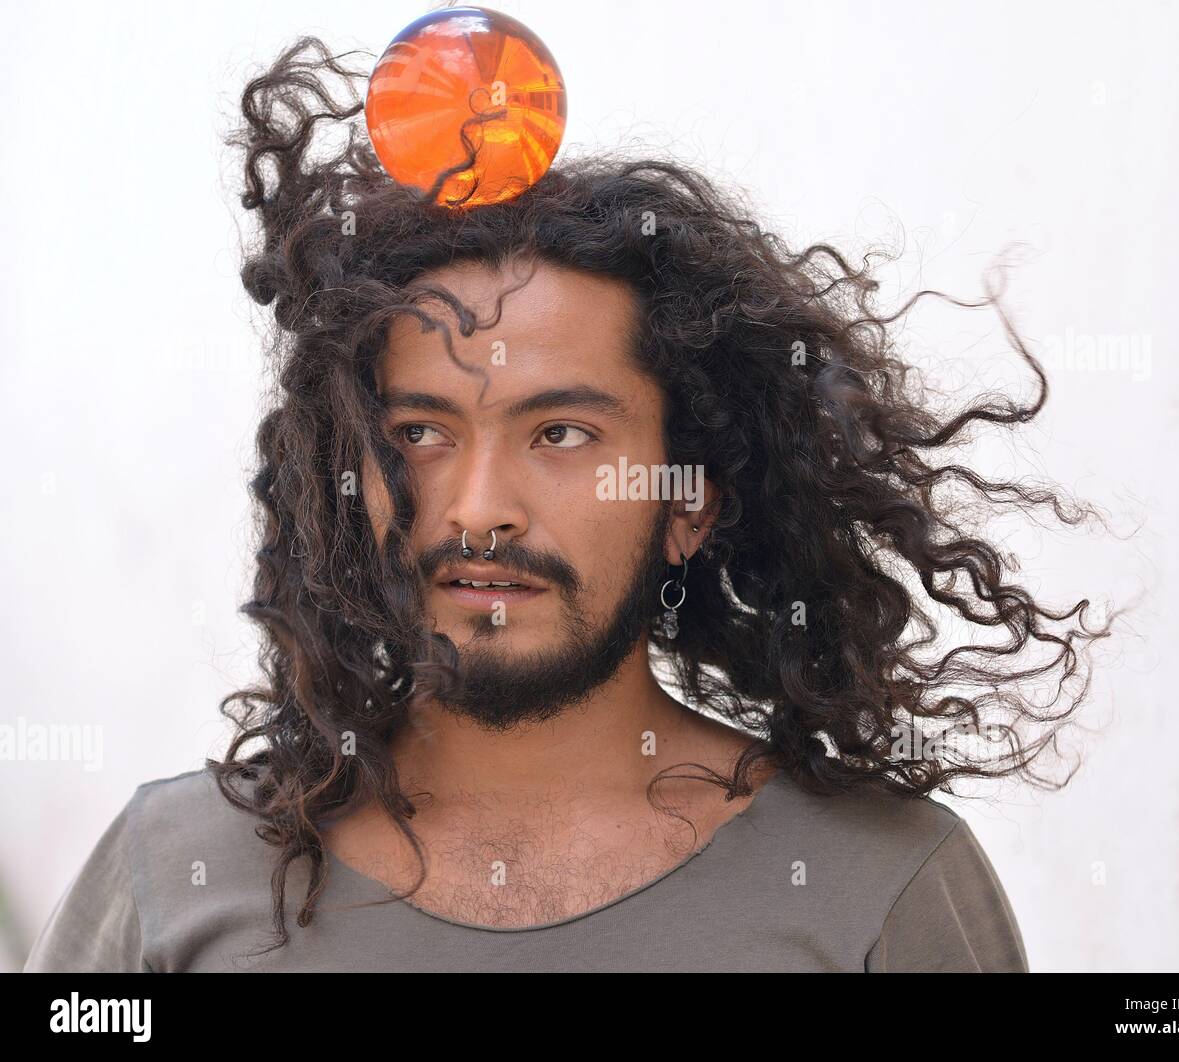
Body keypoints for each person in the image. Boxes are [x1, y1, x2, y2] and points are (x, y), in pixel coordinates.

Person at [24, 35, 1115, 973]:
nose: (479, 509)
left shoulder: (880, 888)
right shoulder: (176, 872)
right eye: (419, 434)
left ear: (690, 500)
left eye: (561, 435)